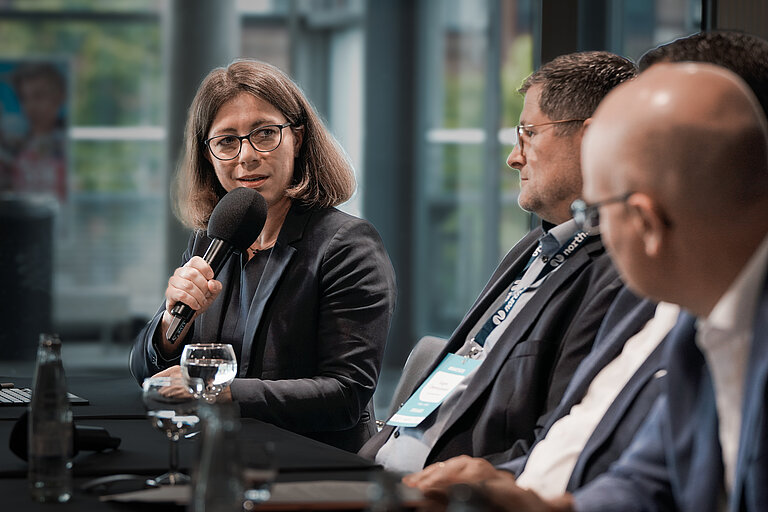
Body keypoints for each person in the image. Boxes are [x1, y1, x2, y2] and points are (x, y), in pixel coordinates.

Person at [402, 31, 768, 503]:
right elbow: (645, 483)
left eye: (595, 214)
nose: (593, 232)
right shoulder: (695, 322)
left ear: (646, 222)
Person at [358, 51, 637, 472]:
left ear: (591, 138)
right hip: (382, 470)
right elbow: (461, 365)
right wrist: (366, 460)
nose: (514, 158)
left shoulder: (619, 274)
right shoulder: (531, 248)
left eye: (527, 133)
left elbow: (559, 443)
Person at [129, 59, 396, 452]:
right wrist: (173, 322)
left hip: (311, 467)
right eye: (226, 141)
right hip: (220, 455)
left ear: (298, 139)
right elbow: (147, 370)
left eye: (265, 134)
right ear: (208, 155)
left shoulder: (347, 245)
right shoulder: (211, 240)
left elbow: (345, 394)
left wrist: (221, 392)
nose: (246, 156)